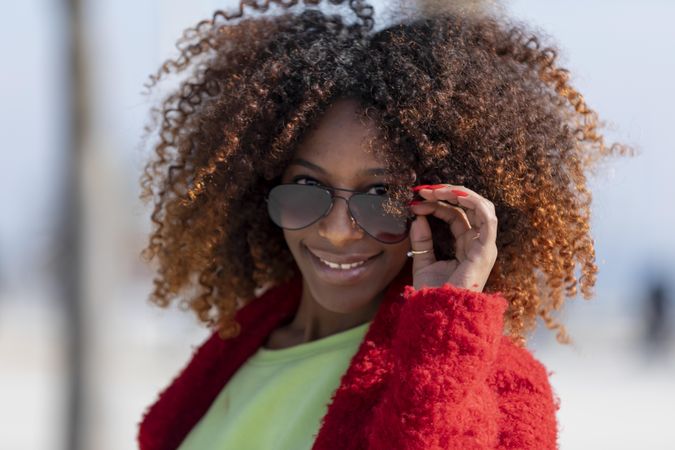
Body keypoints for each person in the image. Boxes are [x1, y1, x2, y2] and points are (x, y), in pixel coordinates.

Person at [136, 1, 630, 449]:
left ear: (437, 208)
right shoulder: (239, 346)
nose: (337, 229)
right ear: (258, 188)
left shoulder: (496, 381)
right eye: (307, 185)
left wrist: (444, 329)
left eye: (381, 196)